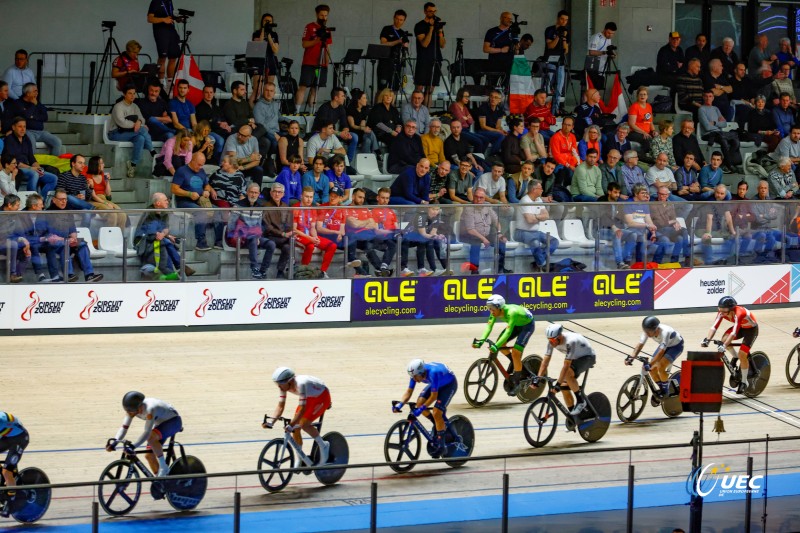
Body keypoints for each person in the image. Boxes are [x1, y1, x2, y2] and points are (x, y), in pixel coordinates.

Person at [265, 368, 332, 467]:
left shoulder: (301, 384)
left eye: (280, 383)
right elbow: (280, 406)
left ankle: (324, 445)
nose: (279, 386)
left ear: (290, 381)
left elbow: (302, 410)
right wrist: (271, 421)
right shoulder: (283, 387)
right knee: (295, 429)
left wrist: (291, 425)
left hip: (322, 396)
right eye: (277, 384)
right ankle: (300, 457)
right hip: (309, 396)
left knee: (304, 424)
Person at [394, 358, 457, 456]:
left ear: (421, 372)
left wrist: (421, 409)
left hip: (449, 385)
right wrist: (400, 404)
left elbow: (433, 396)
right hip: (437, 383)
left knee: (437, 412)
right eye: (413, 377)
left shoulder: (433, 373)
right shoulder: (416, 373)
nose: (414, 379)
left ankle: (441, 446)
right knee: (419, 403)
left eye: (415, 377)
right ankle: (437, 425)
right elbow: (409, 391)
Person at [108, 392, 181, 477]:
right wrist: (115, 442)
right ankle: (161, 483)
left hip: (173, 421)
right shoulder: (132, 409)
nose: (130, 414)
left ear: (139, 407)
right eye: (129, 412)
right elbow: (124, 428)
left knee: (150, 437)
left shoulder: (150, 409)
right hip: (160, 423)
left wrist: (133, 446)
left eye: (132, 412)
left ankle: (164, 467)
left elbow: (147, 432)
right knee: (149, 455)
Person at [473, 294, 535, 392]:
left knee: (515, 352)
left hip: (527, 326)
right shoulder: (494, 312)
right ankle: (515, 362)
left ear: (500, 308)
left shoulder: (511, 312)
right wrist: (481, 341)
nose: (491, 310)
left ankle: (517, 381)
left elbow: (508, 332)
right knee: (501, 344)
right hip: (516, 325)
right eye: (489, 308)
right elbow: (489, 327)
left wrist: (496, 346)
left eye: (492, 308)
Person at [536, 323, 597, 417]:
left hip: (588, 357)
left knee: (567, 374)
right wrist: (538, 378)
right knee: (564, 388)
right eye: (549, 340)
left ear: (559, 336)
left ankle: (581, 400)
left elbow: (566, 366)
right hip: (575, 358)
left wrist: (557, 385)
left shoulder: (570, 342)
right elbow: (545, 362)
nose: (551, 342)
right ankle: (574, 418)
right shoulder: (551, 342)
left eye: (552, 340)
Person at [702, 296, 759, 394]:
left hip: (751, 330)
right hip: (741, 327)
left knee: (742, 354)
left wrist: (724, 346)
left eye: (724, 310)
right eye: (720, 309)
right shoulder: (722, 312)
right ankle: (735, 357)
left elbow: (734, 333)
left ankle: (744, 382)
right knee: (723, 340)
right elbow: (714, 327)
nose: (721, 312)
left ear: (732, 309)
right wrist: (707, 339)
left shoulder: (740, 313)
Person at [44, 188, 104, 282]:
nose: (64, 202)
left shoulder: (68, 211)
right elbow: (50, 234)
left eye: (65, 199)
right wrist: (66, 240)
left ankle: (89, 275)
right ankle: (69, 274)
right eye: (61, 199)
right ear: (54, 200)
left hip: (67, 240)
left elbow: (72, 228)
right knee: (65, 246)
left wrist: (74, 238)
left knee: (82, 245)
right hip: (53, 242)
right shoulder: (48, 213)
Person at [134, 192, 193, 279]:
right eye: (165, 200)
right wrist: (164, 235)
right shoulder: (150, 214)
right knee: (165, 242)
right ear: (158, 203)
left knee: (165, 242)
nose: (167, 202)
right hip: (143, 241)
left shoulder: (163, 213)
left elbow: (165, 229)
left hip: (156, 239)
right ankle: (178, 268)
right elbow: (153, 234)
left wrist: (166, 235)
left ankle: (175, 270)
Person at [459, 187, 510, 274]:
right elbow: (470, 229)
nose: (478, 199)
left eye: (481, 197)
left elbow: (496, 221)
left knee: (501, 242)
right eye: (476, 197)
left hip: (486, 233)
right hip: (470, 235)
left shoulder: (487, 206)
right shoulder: (468, 208)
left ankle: (500, 269)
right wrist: (483, 239)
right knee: (475, 244)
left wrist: (499, 233)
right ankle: (474, 271)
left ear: (485, 198)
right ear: (473, 197)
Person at [227, 182, 274, 279]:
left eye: (256, 193)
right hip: (240, 237)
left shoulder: (260, 206)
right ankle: (254, 268)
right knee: (253, 239)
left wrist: (258, 236)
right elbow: (231, 225)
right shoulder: (238, 205)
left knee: (271, 244)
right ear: (247, 192)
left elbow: (259, 225)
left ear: (258, 193)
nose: (253, 195)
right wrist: (234, 237)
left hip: (254, 236)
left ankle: (262, 270)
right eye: (251, 192)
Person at [628, 316, 684, 397]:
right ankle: (661, 388)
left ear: (656, 329)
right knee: (652, 369)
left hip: (676, 346)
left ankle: (666, 390)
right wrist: (631, 357)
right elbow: (639, 345)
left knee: (660, 367)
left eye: (649, 332)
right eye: (645, 331)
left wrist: (650, 364)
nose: (647, 334)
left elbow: (661, 352)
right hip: (665, 346)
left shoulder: (665, 332)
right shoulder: (648, 331)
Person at [171, 152, 213, 251]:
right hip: (184, 201)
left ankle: (219, 241)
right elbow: (174, 189)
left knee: (220, 211)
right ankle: (200, 242)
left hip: (199, 200)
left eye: (202, 165)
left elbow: (207, 185)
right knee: (201, 212)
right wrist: (189, 194)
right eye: (199, 164)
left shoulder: (202, 171)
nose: (200, 167)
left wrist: (207, 190)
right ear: (192, 161)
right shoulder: (182, 171)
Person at [110, 85, 155, 178]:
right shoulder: (118, 106)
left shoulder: (135, 106)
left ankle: (133, 165)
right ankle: (152, 150)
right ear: (124, 94)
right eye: (130, 93)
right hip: (115, 133)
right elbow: (122, 123)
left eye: (134, 93)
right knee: (142, 130)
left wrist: (139, 121)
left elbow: (142, 118)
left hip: (130, 132)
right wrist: (139, 125)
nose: (132, 96)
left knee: (141, 138)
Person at [296, 4, 333, 112]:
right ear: (317, 14)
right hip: (309, 63)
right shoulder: (309, 26)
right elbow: (304, 44)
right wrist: (316, 41)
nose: (324, 18)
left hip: (320, 65)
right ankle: (297, 111)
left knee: (315, 88)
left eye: (326, 15)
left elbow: (328, 47)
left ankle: (312, 110)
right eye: (322, 15)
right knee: (303, 86)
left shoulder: (327, 30)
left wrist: (326, 63)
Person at [515, 179, 558, 272]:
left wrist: (535, 216)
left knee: (554, 241)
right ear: (534, 189)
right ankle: (543, 266)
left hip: (536, 231)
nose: (542, 190)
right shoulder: (524, 200)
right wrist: (539, 217)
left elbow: (546, 215)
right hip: (522, 232)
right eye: (540, 188)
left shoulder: (538, 199)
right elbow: (529, 220)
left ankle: (538, 264)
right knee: (535, 242)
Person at [293, 186, 336, 278]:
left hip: (309, 235)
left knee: (332, 246)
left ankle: (322, 272)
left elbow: (312, 227)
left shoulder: (312, 208)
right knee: (310, 245)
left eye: (311, 197)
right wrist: (311, 239)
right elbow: (294, 229)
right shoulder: (295, 208)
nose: (309, 200)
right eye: (306, 196)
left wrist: (315, 237)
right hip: (298, 234)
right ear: (301, 196)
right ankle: (304, 271)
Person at [223, 81, 270, 159]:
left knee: (265, 138)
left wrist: (251, 122)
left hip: (249, 129)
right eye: (242, 90)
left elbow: (251, 115)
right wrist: (249, 121)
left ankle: (258, 160)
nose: (245, 92)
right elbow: (234, 121)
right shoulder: (228, 104)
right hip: (238, 130)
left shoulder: (244, 102)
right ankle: (248, 149)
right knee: (264, 138)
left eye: (245, 90)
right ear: (235, 91)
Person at [208, 154, 246, 248]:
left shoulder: (240, 176)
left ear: (231, 164)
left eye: (224, 162)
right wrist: (212, 190)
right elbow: (207, 184)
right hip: (218, 200)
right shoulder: (218, 173)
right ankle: (221, 241)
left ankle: (235, 241)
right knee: (224, 211)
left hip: (233, 203)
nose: (222, 164)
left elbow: (242, 194)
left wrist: (238, 206)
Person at [624, 184, 668, 264]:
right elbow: (630, 223)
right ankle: (639, 263)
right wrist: (647, 226)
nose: (645, 195)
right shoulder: (629, 203)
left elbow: (649, 220)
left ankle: (655, 264)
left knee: (664, 240)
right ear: (636, 194)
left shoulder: (644, 204)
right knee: (642, 236)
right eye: (642, 193)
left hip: (645, 230)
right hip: (632, 230)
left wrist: (653, 232)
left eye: (646, 193)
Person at [13, 83, 62, 155]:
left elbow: (45, 117)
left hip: (40, 132)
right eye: (34, 91)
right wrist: (33, 105)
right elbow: (25, 116)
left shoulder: (38, 103)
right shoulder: (18, 103)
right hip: (27, 131)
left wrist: (33, 117)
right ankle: (32, 163)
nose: (37, 93)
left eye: (37, 91)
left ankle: (53, 163)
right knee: (31, 143)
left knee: (57, 141)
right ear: (28, 93)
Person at [699, 91, 742, 172]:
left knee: (735, 141)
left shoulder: (715, 108)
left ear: (713, 98)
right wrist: (718, 124)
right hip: (708, 134)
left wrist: (715, 123)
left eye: (710, 96)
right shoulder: (701, 109)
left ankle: (726, 162)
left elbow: (724, 124)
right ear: (703, 97)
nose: (708, 98)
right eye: (706, 96)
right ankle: (730, 165)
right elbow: (707, 127)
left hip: (718, 133)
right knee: (723, 141)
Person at [414, 2, 446, 108]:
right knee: (419, 88)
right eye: (430, 11)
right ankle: (415, 112)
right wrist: (431, 29)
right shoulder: (419, 26)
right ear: (425, 11)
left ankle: (426, 113)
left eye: (434, 11)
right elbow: (424, 43)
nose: (433, 13)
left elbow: (442, 45)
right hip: (423, 60)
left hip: (436, 59)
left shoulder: (438, 25)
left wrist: (440, 32)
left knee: (430, 90)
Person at [695, 184, 737, 264]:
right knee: (707, 239)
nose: (719, 195)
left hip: (716, 230)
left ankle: (728, 260)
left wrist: (733, 232)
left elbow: (728, 218)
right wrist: (708, 233)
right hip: (701, 229)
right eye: (717, 193)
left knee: (732, 237)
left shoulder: (724, 203)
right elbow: (709, 219)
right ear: (714, 192)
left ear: (725, 195)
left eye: (722, 194)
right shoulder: (710, 201)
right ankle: (709, 261)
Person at [313, 87, 357, 164]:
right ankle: (328, 163)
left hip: (333, 133)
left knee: (354, 137)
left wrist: (345, 133)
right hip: (321, 133)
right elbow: (325, 128)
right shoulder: (324, 108)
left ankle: (348, 163)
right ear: (336, 98)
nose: (344, 98)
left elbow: (344, 124)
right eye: (342, 96)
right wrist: (339, 133)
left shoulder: (341, 108)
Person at [651, 186, 692, 265]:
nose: (663, 196)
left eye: (665, 195)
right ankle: (687, 256)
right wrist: (673, 221)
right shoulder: (653, 205)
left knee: (680, 238)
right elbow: (659, 223)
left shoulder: (670, 204)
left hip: (669, 230)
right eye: (661, 194)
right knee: (683, 230)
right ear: (657, 194)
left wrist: (675, 222)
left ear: (668, 195)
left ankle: (674, 261)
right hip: (660, 230)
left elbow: (673, 218)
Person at [85, 156, 127, 231]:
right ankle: (108, 238)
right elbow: (93, 196)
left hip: (103, 198)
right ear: (96, 165)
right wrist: (106, 203)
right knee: (112, 214)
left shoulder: (102, 174)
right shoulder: (88, 177)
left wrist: (107, 182)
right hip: (94, 200)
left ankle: (119, 237)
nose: (103, 165)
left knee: (122, 214)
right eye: (101, 163)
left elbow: (108, 194)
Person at [0, 411, 29, 515]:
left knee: (6, 472)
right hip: (8, 437)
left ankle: (10, 504)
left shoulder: (0, 419)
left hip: (20, 439)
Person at [367, 187, 399, 277]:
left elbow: (396, 227)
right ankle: (384, 267)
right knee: (392, 244)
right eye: (383, 198)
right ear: (378, 198)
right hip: (378, 238)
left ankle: (384, 268)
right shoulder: (373, 211)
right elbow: (377, 231)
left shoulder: (391, 212)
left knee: (402, 241)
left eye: (387, 198)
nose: (385, 201)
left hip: (390, 237)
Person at [56, 154, 95, 227]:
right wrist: (75, 197)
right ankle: (92, 208)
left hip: (80, 205)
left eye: (83, 163)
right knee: (70, 197)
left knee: (87, 213)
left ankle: (83, 236)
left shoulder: (83, 178)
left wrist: (91, 188)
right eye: (80, 163)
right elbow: (59, 194)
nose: (83, 165)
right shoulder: (64, 176)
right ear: (73, 164)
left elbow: (87, 198)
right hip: (67, 204)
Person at [262, 183, 292, 279]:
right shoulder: (265, 207)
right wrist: (282, 234)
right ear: (271, 193)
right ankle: (263, 271)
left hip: (283, 237)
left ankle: (280, 271)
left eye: (280, 192)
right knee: (288, 241)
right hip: (271, 236)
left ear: (283, 194)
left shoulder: (286, 207)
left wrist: (287, 233)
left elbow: (289, 224)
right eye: (275, 191)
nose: (277, 194)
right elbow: (267, 227)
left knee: (288, 247)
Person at [543, 10, 570, 113]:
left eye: (566, 20)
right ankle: (544, 110)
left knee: (559, 89)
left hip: (561, 63)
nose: (564, 22)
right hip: (550, 61)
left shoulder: (566, 32)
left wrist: (563, 37)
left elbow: (566, 50)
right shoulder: (550, 30)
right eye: (562, 19)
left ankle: (555, 111)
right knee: (548, 87)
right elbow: (550, 46)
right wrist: (558, 35)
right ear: (558, 18)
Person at [147, 0, 180, 82]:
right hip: (161, 32)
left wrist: (177, 19)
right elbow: (149, 18)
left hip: (171, 30)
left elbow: (169, 16)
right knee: (162, 58)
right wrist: (163, 19)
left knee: (173, 57)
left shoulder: (169, 1)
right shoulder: (155, 1)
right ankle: (160, 83)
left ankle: (170, 84)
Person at [253, 82, 282, 174]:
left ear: (274, 92)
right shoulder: (259, 105)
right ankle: (269, 165)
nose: (269, 93)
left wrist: (291, 122)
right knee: (275, 142)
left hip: (276, 131)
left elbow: (280, 117)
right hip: (265, 132)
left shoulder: (275, 104)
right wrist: (274, 134)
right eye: (267, 90)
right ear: (263, 91)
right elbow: (261, 125)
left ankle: (282, 166)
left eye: (271, 91)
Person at [250, 12, 280, 100]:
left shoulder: (274, 35)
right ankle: (253, 112)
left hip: (271, 61)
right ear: (262, 22)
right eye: (266, 21)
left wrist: (269, 35)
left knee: (269, 90)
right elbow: (259, 44)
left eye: (270, 21)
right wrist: (263, 29)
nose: (268, 23)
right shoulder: (256, 33)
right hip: (259, 61)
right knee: (257, 90)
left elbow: (275, 50)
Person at [378, 9, 410, 91]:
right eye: (397, 19)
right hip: (385, 62)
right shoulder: (387, 29)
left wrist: (405, 45)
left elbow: (406, 46)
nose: (398, 21)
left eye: (401, 20)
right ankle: (378, 104)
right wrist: (398, 41)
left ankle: (392, 104)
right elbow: (383, 43)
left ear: (404, 21)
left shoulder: (403, 33)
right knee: (382, 88)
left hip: (397, 63)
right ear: (393, 18)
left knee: (395, 88)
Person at [0, 194, 29, 283]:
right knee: (13, 244)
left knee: (27, 254)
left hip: (12, 242)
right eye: (17, 205)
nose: (19, 207)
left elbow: (21, 231)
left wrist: (26, 242)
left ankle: (17, 275)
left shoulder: (15, 214)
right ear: (9, 205)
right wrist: (20, 239)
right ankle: (12, 274)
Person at [346, 89, 378, 155]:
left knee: (368, 140)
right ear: (358, 100)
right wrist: (362, 128)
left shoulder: (364, 109)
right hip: (352, 133)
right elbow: (352, 125)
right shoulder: (351, 109)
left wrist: (364, 129)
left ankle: (367, 159)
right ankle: (377, 151)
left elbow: (363, 123)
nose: (366, 100)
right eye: (364, 98)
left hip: (361, 133)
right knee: (370, 134)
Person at [586, 22, 617, 90]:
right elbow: (591, 52)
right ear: (605, 29)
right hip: (593, 69)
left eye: (613, 34)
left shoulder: (608, 39)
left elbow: (608, 50)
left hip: (602, 70)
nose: (610, 35)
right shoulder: (596, 37)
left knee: (597, 91)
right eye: (609, 33)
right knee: (590, 91)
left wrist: (612, 55)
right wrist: (605, 52)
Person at [475, 90, 507, 156]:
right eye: (491, 97)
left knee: (505, 135)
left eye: (496, 97)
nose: (493, 99)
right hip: (481, 131)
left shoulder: (500, 110)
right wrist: (498, 131)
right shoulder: (483, 108)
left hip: (492, 132)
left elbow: (498, 126)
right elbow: (483, 126)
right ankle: (493, 155)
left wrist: (502, 130)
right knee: (500, 135)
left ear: (499, 100)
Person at [483, 12, 515, 76]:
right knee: (493, 84)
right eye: (507, 18)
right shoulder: (491, 31)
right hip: (494, 64)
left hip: (508, 65)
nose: (509, 20)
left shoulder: (513, 32)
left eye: (510, 18)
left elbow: (516, 48)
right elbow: (485, 49)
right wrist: (501, 50)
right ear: (501, 18)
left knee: (507, 85)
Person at [627, 86, 655, 155]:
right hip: (635, 132)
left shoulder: (649, 106)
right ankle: (641, 158)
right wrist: (643, 132)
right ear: (637, 96)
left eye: (644, 94)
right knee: (647, 142)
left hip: (647, 132)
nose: (642, 96)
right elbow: (632, 124)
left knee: (658, 139)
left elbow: (650, 122)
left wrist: (654, 131)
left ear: (647, 96)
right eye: (641, 94)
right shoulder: (634, 106)